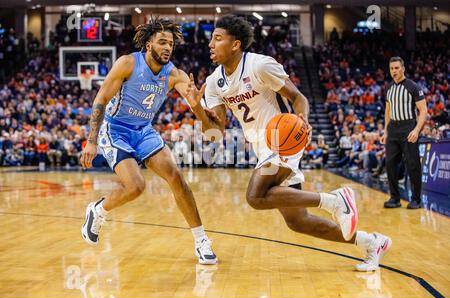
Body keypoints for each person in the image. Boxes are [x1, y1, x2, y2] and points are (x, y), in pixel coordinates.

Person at [186, 15, 391, 271]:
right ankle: (372, 243)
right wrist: (197, 108)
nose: (210, 44)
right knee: (298, 221)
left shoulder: (260, 66)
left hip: (284, 138)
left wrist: (302, 119)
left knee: (254, 196)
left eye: (217, 38)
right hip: (262, 148)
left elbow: (298, 97)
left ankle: (335, 200)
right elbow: (215, 133)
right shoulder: (214, 82)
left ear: (235, 44)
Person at [79, 18, 217, 265]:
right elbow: (100, 99)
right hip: (115, 129)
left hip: (143, 130)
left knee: (176, 176)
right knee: (136, 186)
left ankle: (201, 239)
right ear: (148, 44)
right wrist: (91, 141)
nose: (167, 47)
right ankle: (98, 210)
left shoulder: (175, 74)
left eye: (171, 44)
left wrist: (197, 107)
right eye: (162, 42)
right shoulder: (128, 63)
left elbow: (199, 110)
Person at [381, 57, 427, 209]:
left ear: (403, 68)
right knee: (390, 164)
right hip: (393, 129)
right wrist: (385, 131)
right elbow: (387, 112)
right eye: (391, 68)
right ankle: (394, 198)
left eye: (396, 68)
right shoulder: (388, 88)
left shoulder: (413, 86)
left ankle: (416, 199)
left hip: (408, 128)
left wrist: (416, 130)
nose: (394, 71)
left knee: (413, 164)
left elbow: (423, 110)